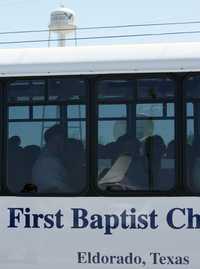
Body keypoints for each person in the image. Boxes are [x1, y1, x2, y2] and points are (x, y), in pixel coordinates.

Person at [32, 124, 71, 193]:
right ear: (48, 143)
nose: (59, 145)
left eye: (61, 142)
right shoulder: (46, 162)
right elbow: (56, 188)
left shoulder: (56, 159)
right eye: (54, 142)